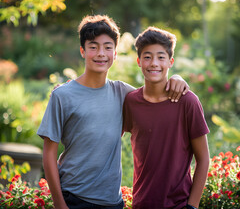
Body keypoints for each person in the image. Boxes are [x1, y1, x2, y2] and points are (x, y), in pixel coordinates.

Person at [37, 15, 189, 209]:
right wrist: (60, 204)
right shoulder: (62, 95)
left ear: (115, 54)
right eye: (93, 47)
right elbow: (48, 154)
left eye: (108, 47)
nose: (101, 53)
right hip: (73, 198)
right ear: (83, 51)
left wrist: (177, 78)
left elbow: (153, 96)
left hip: (113, 202)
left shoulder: (123, 93)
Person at [123, 27, 210, 209]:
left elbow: (203, 159)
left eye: (161, 57)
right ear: (139, 61)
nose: (154, 63)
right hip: (141, 204)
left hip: (179, 204)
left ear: (170, 62)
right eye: (147, 57)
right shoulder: (131, 102)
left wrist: (192, 206)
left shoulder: (187, 102)